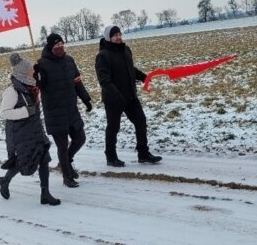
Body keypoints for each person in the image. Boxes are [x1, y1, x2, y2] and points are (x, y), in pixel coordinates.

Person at [94, 25, 162, 166]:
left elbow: (129, 68)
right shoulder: (103, 55)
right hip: (114, 99)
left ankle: (143, 153)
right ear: (108, 37)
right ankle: (111, 156)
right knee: (113, 127)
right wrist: (116, 95)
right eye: (115, 35)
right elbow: (104, 80)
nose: (118, 37)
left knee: (141, 122)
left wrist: (143, 76)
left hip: (130, 96)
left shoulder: (125, 50)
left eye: (119, 34)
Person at [0, 54, 60, 205]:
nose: (33, 70)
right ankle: (5, 181)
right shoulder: (12, 91)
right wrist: (26, 112)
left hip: (36, 130)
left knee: (44, 158)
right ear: (23, 72)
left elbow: (44, 80)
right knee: (22, 162)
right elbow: (4, 112)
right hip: (21, 134)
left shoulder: (31, 86)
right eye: (31, 68)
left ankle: (45, 194)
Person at [35, 33, 93, 188]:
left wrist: (86, 99)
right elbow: (39, 86)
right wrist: (37, 77)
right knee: (62, 145)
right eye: (56, 45)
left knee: (80, 138)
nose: (60, 47)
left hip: (71, 109)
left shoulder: (69, 60)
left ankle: (65, 162)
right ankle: (67, 177)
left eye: (61, 44)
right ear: (50, 47)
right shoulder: (42, 64)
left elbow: (77, 82)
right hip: (54, 111)